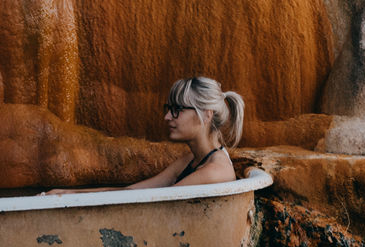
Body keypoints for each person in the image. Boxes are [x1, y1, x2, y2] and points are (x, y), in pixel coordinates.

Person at [44, 76, 244, 194]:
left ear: (206, 115)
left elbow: (157, 201)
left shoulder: (215, 171)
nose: (167, 117)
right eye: (168, 109)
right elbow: (132, 192)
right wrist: (69, 193)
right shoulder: (193, 159)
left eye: (177, 110)